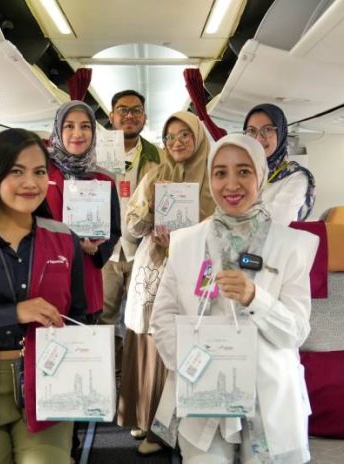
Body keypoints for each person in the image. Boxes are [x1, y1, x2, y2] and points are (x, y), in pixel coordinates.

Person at [150, 133, 318, 464]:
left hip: (267, 393)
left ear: (261, 175)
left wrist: (255, 298)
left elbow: (296, 332)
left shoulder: (292, 246)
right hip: (204, 388)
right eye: (220, 173)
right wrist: (191, 365)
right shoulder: (185, 243)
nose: (231, 184)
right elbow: (163, 318)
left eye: (244, 171)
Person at [0, 128, 87, 464]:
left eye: (39, 172)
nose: (30, 183)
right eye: (16, 171)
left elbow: (78, 316)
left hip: (47, 381)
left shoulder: (65, 239)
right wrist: (14, 313)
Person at [119, 111, 216, 455]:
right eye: (170, 137)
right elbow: (130, 224)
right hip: (156, 265)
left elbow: (221, 226)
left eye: (184, 135)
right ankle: (147, 419)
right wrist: (150, 219)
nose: (177, 142)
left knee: (184, 342)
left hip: (195, 268)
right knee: (150, 342)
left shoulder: (213, 176)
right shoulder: (155, 175)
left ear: (198, 138)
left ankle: (172, 430)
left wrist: (185, 237)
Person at [99, 90, 162, 377]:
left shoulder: (158, 156)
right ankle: (104, 375)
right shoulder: (96, 154)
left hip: (144, 250)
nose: (129, 115)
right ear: (111, 116)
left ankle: (134, 378)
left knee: (141, 318)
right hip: (105, 250)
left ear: (144, 117)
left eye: (136, 110)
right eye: (123, 110)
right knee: (104, 317)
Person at [45, 100, 121, 323]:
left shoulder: (104, 180)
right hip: (47, 283)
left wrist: (96, 249)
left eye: (85, 126)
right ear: (58, 130)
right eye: (69, 126)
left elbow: (114, 230)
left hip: (87, 285)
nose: (77, 133)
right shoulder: (42, 174)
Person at [243, 103, 316, 225]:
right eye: (251, 130)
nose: (258, 139)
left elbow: (275, 223)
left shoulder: (297, 177)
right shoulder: (243, 173)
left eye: (267, 129)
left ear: (280, 134)